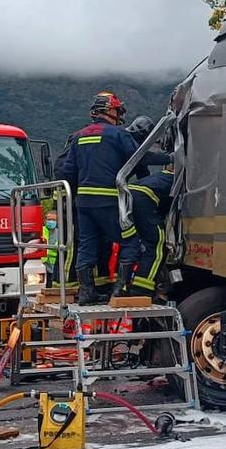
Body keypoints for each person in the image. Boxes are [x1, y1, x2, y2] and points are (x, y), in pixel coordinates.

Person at [58, 91, 140, 305]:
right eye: (116, 109)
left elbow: (67, 172)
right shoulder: (118, 135)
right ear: (109, 110)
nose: (118, 114)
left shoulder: (78, 136)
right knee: (130, 241)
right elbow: (137, 160)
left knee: (87, 244)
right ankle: (120, 291)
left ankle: (87, 293)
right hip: (109, 200)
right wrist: (169, 158)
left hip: (83, 203)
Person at [115, 165, 176, 299]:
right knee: (157, 243)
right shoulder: (178, 180)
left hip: (128, 198)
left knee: (135, 243)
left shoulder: (159, 177)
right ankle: (142, 288)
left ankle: (125, 284)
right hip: (143, 200)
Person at [42, 209, 59, 286]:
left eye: (54, 220)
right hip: (42, 264)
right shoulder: (41, 230)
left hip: (54, 266)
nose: (51, 221)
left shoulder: (60, 233)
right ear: (45, 220)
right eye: (49, 219)